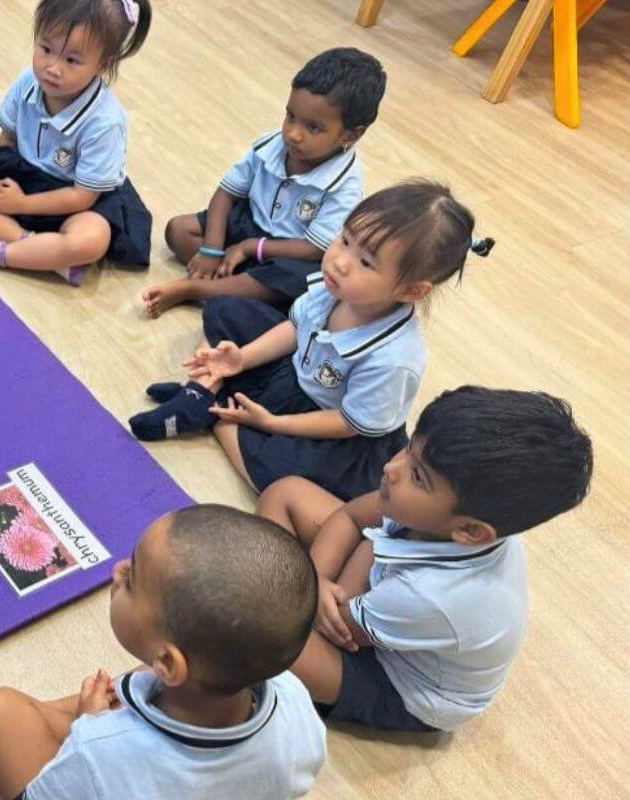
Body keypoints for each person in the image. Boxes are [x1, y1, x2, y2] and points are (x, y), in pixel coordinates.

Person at [129, 180, 495, 501]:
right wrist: (241, 359)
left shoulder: (395, 359)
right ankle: (217, 395)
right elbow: (295, 330)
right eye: (345, 239)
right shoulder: (334, 287)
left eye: (366, 262)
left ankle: (213, 412)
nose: (339, 262)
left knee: (278, 477)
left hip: (333, 427)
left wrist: (273, 424)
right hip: (295, 377)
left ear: (412, 290)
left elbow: (348, 423)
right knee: (225, 311)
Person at [256, 386, 593, 732]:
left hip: (401, 686)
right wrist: (317, 578)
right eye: (409, 447)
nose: (391, 467)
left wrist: (323, 587)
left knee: (261, 628)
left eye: (418, 476)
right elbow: (351, 518)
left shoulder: (435, 596)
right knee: (286, 493)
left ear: (472, 532)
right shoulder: (443, 514)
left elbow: (340, 630)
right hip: (376, 599)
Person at [0, 505, 326, 799]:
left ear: (168, 664)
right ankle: (46, 711)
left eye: (132, 579)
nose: (119, 570)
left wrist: (87, 728)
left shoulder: (97, 751)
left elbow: (77, 773)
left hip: (107, 766)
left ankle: (36, 715)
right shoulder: (293, 699)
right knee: (131, 684)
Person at [143, 48, 385, 317]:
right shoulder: (273, 144)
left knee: (300, 280)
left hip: (289, 253)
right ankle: (236, 288)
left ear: (351, 135)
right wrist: (212, 249)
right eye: (290, 116)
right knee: (179, 230)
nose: (293, 134)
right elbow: (226, 194)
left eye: (313, 128)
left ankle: (194, 289)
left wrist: (248, 248)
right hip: (250, 222)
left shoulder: (345, 185)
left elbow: (312, 248)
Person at [0, 0, 153, 287]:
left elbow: (83, 197)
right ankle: (40, 252)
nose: (53, 67)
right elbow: (8, 137)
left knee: (91, 240)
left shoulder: (105, 121)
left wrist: (22, 203)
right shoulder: (28, 81)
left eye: (71, 60)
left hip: (75, 200)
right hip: (24, 181)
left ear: (104, 64)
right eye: (46, 49)